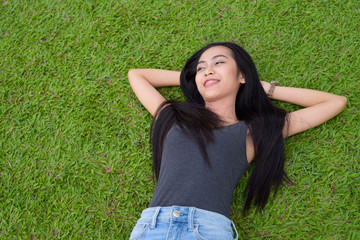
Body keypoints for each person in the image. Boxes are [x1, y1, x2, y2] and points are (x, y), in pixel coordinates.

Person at [127, 42, 347, 240]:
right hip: (152, 227)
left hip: (207, 231)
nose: (208, 70)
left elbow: (334, 102)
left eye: (219, 62)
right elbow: (137, 75)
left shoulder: (253, 133)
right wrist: (193, 78)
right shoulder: (174, 117)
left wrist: (269, 89)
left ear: (242, 76)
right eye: (201, 67)